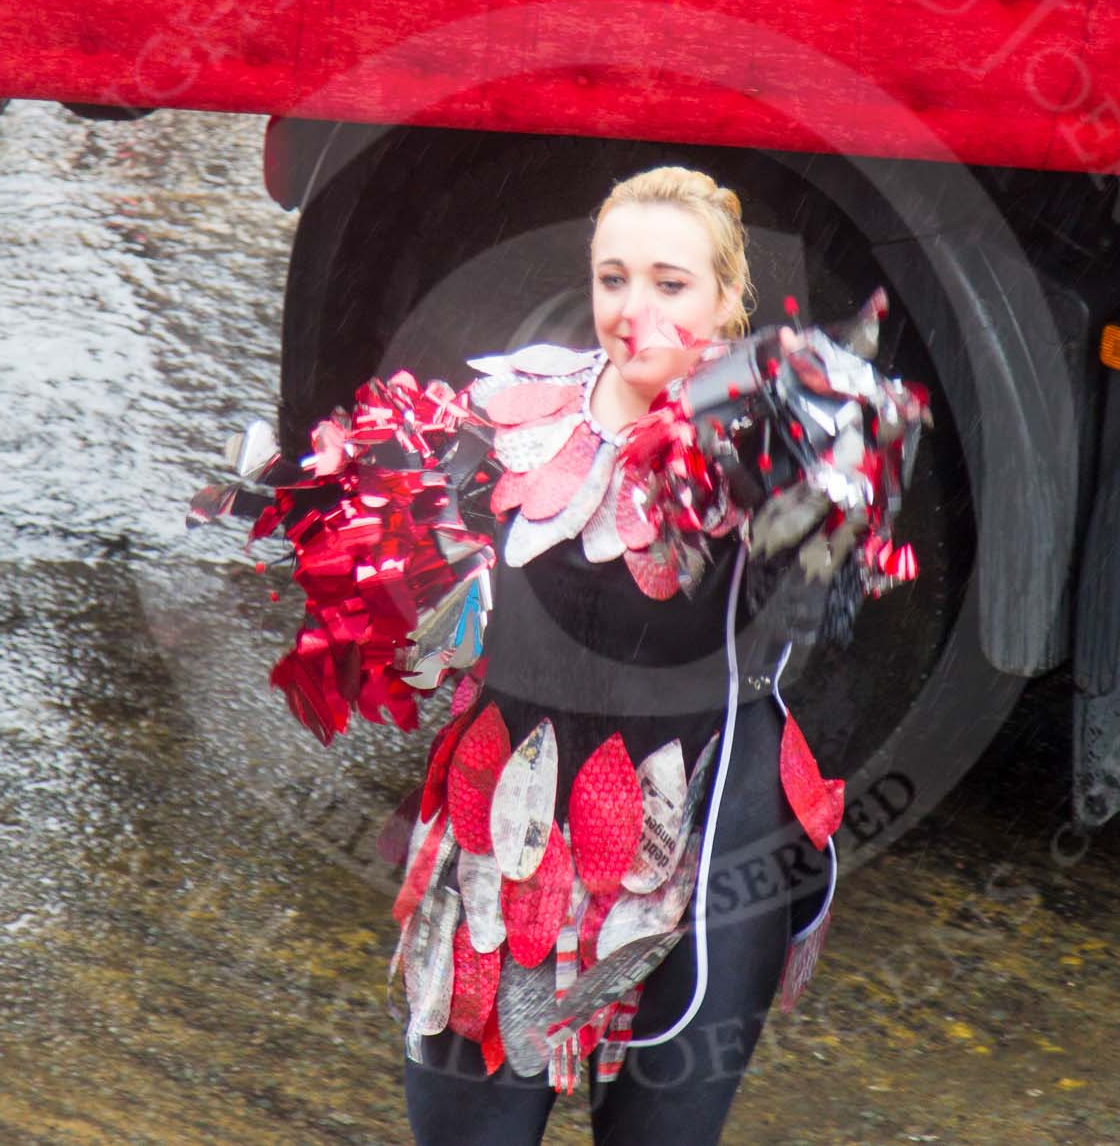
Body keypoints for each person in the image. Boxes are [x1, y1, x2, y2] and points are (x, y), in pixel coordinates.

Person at [190, 165, 926, 1144]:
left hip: (703, 848)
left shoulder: (772, 434)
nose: (634, 308)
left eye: (670, 283)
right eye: (612, 278)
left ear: (723, 298)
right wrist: (328, 517)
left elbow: (830, 575)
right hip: (502, 843)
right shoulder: (513, 407)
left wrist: (815, 446)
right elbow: (424, 612)